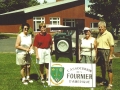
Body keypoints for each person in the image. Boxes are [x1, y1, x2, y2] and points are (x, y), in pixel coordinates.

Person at [96, 21, 114, 90]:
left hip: (106, 52)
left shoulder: (108, 34)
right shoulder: (99, 34)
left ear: (105, 27)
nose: (100, 29)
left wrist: (111, 55)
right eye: (99, 27)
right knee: (102, 68)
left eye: (101, 27)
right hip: (100, 52)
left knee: (109, 69)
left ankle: (110, 84)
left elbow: (112, 46)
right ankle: (103, 81)